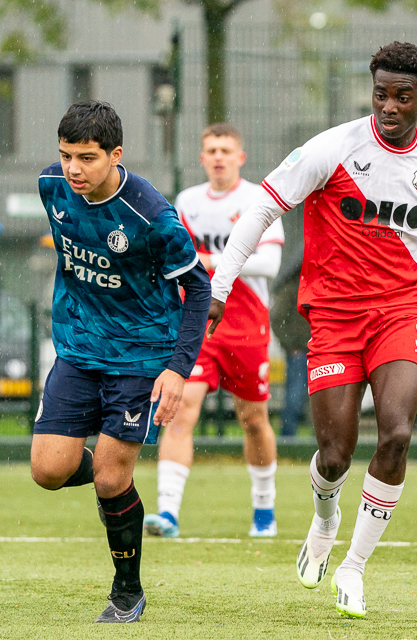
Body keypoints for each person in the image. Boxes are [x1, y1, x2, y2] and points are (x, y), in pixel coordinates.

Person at [207, 42, 417, 618]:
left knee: (396, 434)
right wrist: (218, 288)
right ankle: (325, 522)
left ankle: (353, 568)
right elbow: (262, 209)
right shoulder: (333, 147)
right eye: (381, 94)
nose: (389, 106)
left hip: (401, 314)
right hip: (335, 319)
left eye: (403, 97)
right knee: (334, 454)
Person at [29, 100, 211, 624]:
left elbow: (197, 290)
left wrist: (177, 370)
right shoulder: (52, 187)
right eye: (66, 156)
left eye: (86, 157)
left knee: (109, 478)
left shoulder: (152, 215)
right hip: (79, 348)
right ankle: (119, 484)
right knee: (47, 471)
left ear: (116, 155)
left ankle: (127, 591)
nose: (73, 170)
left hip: (141, 356)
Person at [141, 124, 284, 539]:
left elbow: (268, 265)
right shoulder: (187, 201)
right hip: (199, 322)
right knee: (180, 407)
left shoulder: (259, 199)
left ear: (240, 157)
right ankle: (167, 513)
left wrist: (208, 259)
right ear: (202, 158)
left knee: (253, 419)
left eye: (225, 149)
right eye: (211, 150)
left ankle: (263, 510)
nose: (218, 156)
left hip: (246, 324)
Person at [270, 247, 311, 437]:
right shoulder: (291, 288)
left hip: (318, 348)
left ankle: (317, 441)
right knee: (294, 396)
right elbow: (277, 318)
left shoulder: (308, 286)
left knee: (318, 397)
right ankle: (288, 438)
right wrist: (292, 345)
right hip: (301, 350)